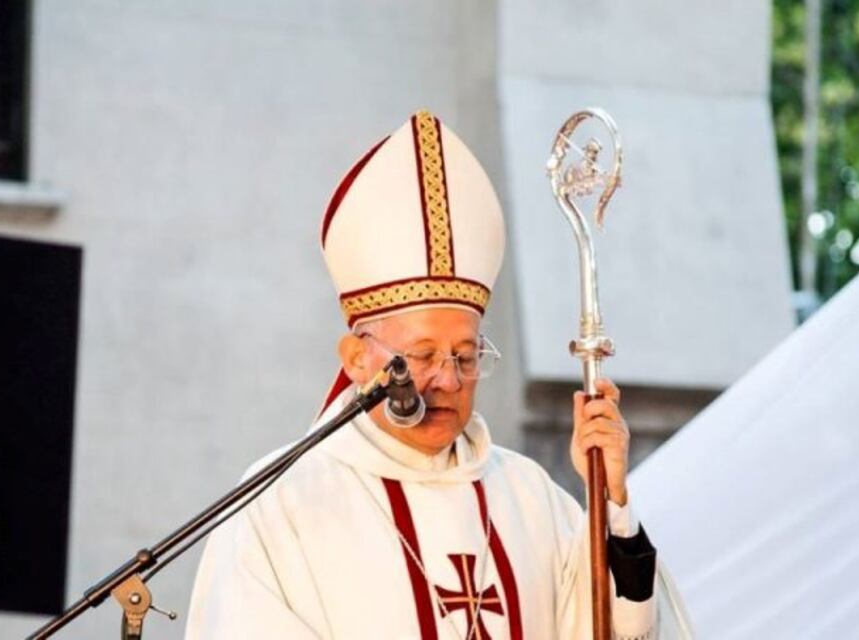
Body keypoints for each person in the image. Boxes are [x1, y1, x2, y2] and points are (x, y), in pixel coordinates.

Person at [186, 110, 658, 639]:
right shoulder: (283, 501)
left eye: (465, 355)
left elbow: (621, 634)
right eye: (423, 355)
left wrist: (612, 502)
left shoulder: (530, 498)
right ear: (356, 358)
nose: (449, 381)